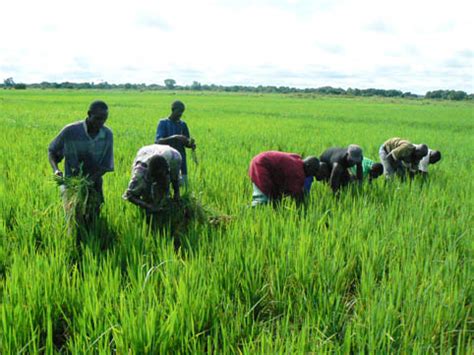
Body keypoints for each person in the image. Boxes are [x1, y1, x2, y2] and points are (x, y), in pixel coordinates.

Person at [48, 100, 114, 226]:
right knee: (73, 218)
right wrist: (56, 170)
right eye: (98, 119)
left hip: (94, 184)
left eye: (104, 119)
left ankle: (94, 239)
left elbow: (106, 166)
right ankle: (73, 242)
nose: (101, 123)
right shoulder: (70, 131)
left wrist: (89, 181)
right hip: (71, 184)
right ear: (89, 114)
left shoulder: (107, 135)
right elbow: (52, 151)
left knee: (94, 218)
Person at [123, 144, 182, 213]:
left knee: (164, 192)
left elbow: (175, 179)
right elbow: (129, 195)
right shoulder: (139, 174)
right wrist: (148, 206)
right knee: (144, 191)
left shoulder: (175, 159)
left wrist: (176, 195)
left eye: (165, 176)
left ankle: (160, 202)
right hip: (144, 153)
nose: (163, 180)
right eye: (160, 179)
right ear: (152, 177)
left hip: (168, 152)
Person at [248, 151, 320, 206]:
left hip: (262, 162)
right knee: (264, 201)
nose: (314, 174)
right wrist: (304, 206)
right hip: (261, 166)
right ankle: (245, 212)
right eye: (315, 170)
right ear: (308, 166)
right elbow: (296, 193)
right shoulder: (298, 172)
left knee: (274, 199)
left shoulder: (297, 160)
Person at [155, 100, 195, 185]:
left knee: (182, 183)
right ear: (173, 110)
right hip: (166, 158)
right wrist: (175, 137)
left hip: (181, 158)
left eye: (182, 112)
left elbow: (186, 142)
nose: (180, 114)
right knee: (165, 182)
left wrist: (191, 145)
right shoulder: (163, 123)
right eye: (179, 111)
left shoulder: (183, 125)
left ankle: (180, 198)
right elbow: (158, 141)